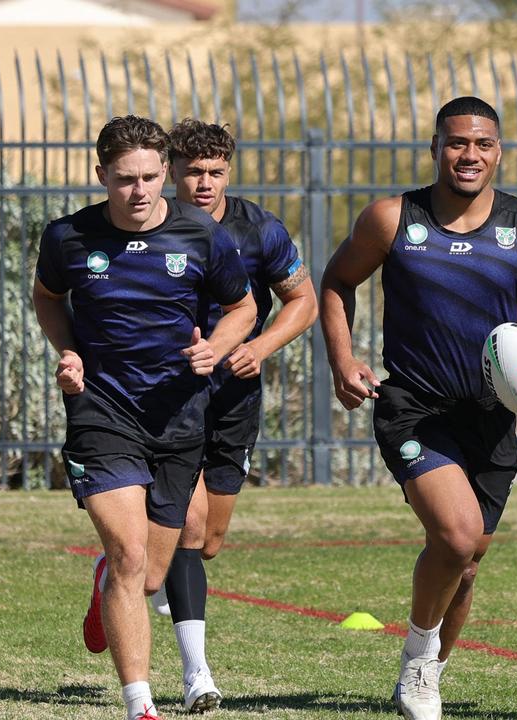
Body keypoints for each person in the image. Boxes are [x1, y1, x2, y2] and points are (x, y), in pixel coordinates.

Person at [320, 96, 517, 720]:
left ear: (498, 152)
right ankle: (417, 661)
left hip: (491, 417)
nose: (469, 155)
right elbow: (335, 282)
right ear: (435, 148)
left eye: (482, 144)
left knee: (467, 563)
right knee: (457, 535)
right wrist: (343, 360)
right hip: (413, 407)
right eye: (457, 142)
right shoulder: (391, 219)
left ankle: (429, 669)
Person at [33, 115, 256, 720]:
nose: (139, 192)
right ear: (101, 173)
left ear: (165, 173)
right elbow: (48, 297)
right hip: (101, 411)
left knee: (150, 573)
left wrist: (218, 344)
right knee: (132, 555)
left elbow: (242, 305)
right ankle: (141, 704)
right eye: (125, 179)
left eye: (151, 178)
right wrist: (69, 350)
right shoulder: (68, 238)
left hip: (179, 417)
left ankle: (109, 577)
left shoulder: (202, 235)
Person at [149, 118, 318, 712]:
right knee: (189, 530)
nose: (203, 183)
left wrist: (260, 346)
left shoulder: (259, 230)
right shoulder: (153, 225)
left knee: (210, 540)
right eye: (192, 171)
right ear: (172, 170)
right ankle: (198, 675)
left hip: (234, 399)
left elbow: (305, 300)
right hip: (169, 398)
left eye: (215, 172)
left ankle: (119, 566)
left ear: (229, 171)